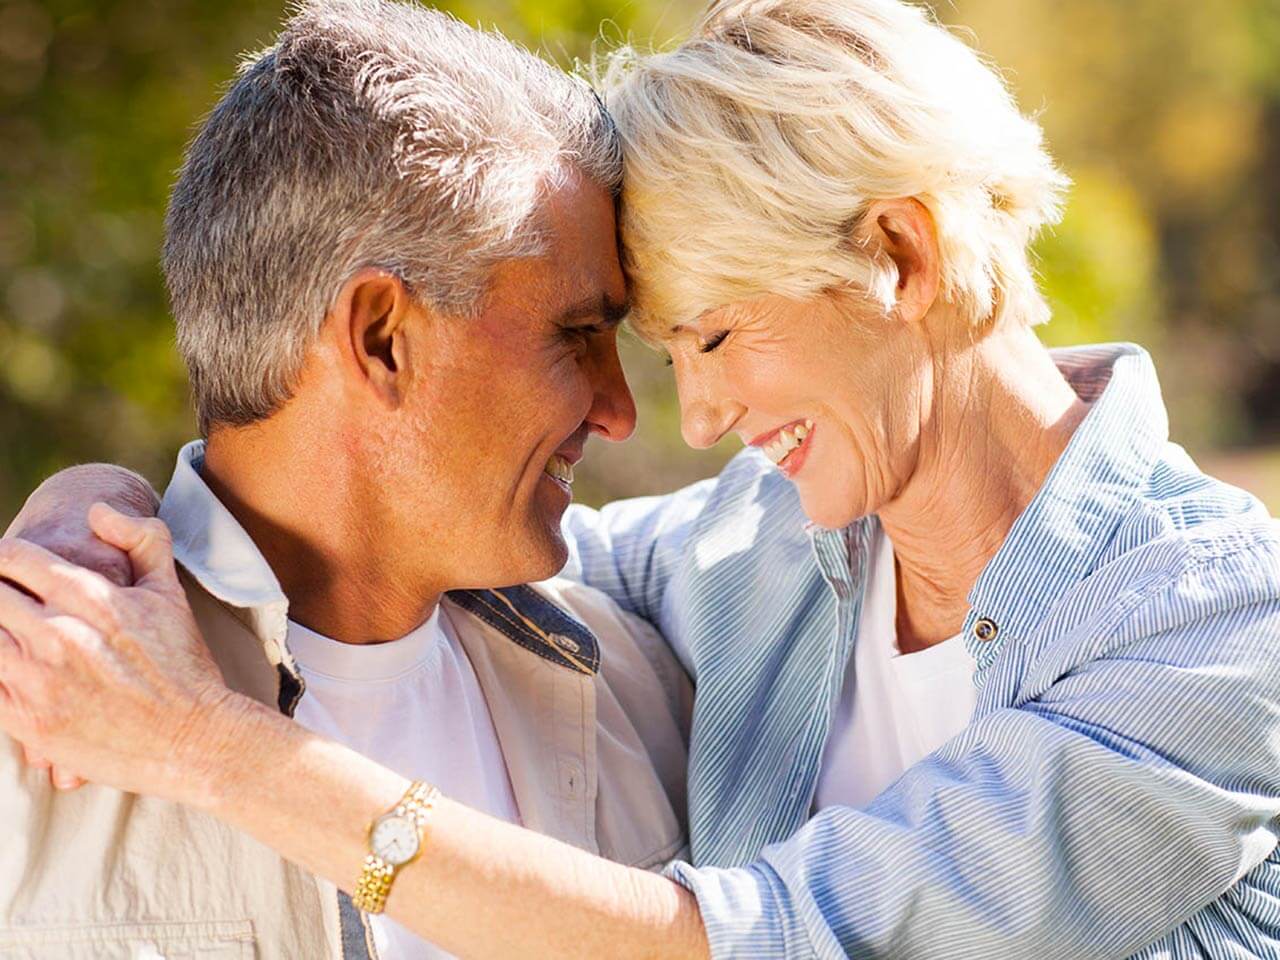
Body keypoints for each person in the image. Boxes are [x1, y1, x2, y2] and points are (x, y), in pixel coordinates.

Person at [6, 0, 1280, 957]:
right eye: (628, 345)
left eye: (714, 336)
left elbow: (772, 936)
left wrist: (212, 749)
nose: (690, 413)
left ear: (898, 253)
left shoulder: (1216, 624)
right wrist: (100, 517)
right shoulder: (741, 560)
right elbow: (352, 529)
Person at [0, 3, 694, 959]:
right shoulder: (27, 701)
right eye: (575, 334)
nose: (619, 410)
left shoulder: (639, 684)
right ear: (381, 337)